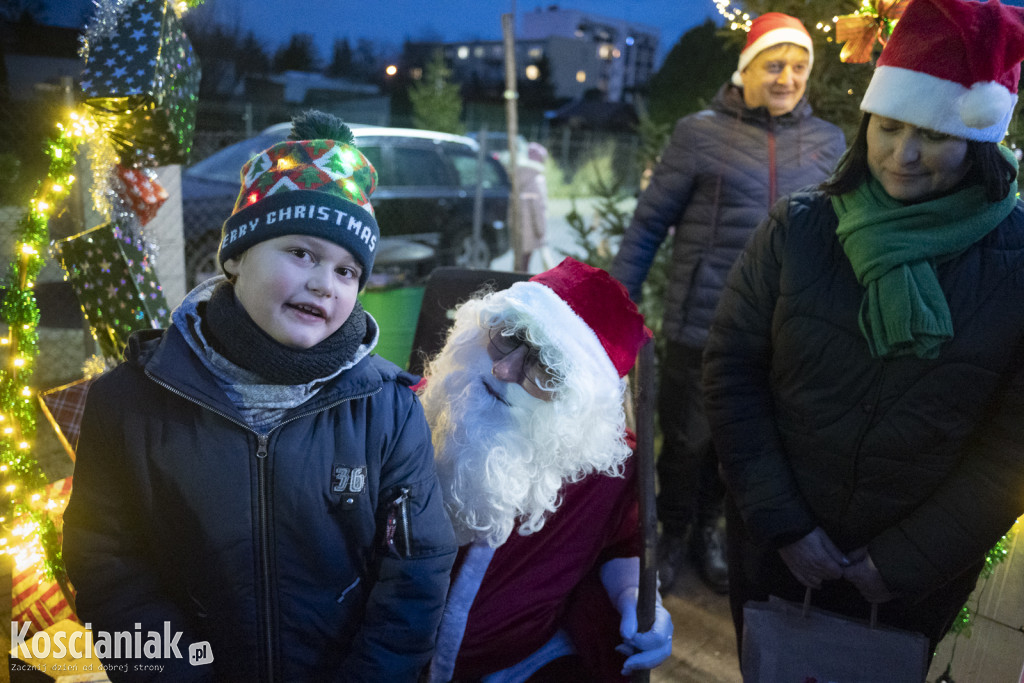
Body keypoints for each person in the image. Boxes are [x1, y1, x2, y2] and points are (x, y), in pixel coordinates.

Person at [62, 111, 457, 681]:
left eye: (348, 271)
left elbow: (415, 570)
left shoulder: (389, 409)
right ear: (237, 256)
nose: (325, 283)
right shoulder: (131, 403)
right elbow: (107, 563)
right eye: (302, 253)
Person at [702, 0, 1024, 658]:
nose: (901, 155)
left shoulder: (1015, 262)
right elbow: (732, 370)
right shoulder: (799, 229)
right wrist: (787, 524)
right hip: (777, 552)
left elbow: (1012, 443)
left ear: (979, 139)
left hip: (911, 583)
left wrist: (904, 559)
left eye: (932, 134)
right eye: (888, 127)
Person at [609, 12, 846, 594]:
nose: (787, 77)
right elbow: (647, 227)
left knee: (737, 445)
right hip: (701, 324)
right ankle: (670, 533)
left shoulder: (829, 143)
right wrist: (609, 311)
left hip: (780, 332)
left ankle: (710, 531)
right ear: (747, 70)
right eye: (774, 65)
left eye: (797, 67)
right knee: (686, 443)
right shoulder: (699, 133)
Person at [418, 257, 673, 681]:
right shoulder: (413, 411)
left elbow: (620, 542)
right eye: (507, 336)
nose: (504, 370)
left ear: (579, 405)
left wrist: (634, 597)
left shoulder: (607, 470)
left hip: (521, 665)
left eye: (547, 368)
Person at [515, 141, 550, 272]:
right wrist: (541, 231)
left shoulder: (517, 176)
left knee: (521, 263)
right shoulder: (537, 180)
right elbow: (539, 208)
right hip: (532, 231)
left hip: (518, 229)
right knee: (526, 265)